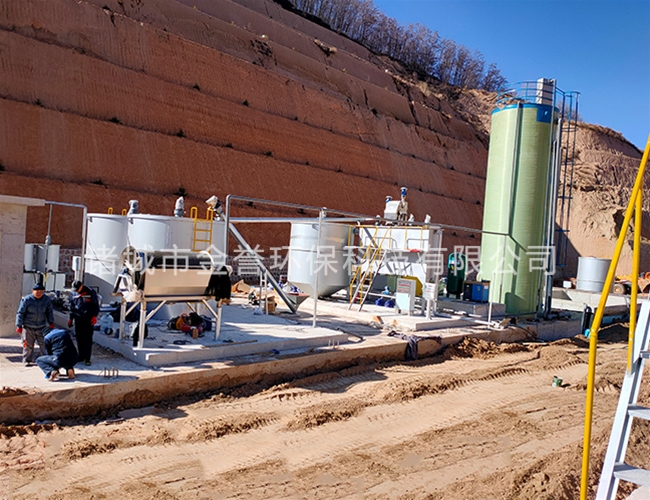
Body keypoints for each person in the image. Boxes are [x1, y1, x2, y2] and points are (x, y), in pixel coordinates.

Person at [16, 283, 55, 366]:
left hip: (42, 327)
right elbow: (20, 313)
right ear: (32, 291)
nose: (39, 293)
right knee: (28, 345)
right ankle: (27, 360)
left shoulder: (46, 300)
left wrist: (51, 322)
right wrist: (19, 325)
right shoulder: (26, 300)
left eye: (41, 291)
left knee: (44, 344)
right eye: (37, 291)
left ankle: (46, 361)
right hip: (28, 327)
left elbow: (49, 312)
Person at [68, 280, 100, 366]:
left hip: (88, 319)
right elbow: (72, 306)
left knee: (87, 339)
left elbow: (95, 305)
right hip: (78, 319)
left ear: (82, 286)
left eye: (78, 289)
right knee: (79, 338)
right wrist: (71, 318)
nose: (77, 291)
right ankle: (81, 356)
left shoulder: (90, 292)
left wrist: (94, 316)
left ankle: (87, 358)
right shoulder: (74, 294)